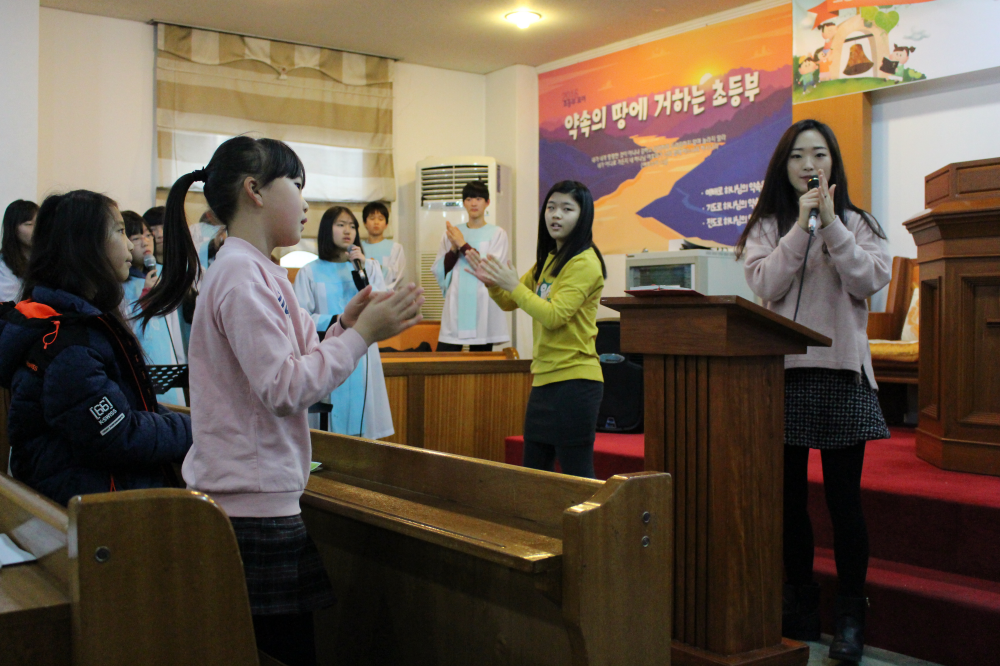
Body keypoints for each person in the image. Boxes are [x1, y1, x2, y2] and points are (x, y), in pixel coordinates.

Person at [141, 136, 423, 666]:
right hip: (249, 507)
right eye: (296, 185)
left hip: (260, 499)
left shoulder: (262, 270)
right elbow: (285, 388)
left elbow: (302, 361)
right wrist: (363, 336)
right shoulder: (240, 274)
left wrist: (345, 326)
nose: (306, 203)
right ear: (255, 191)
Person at [735, 119, 891, 663]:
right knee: (789, 502)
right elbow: (765, 284)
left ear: (833, 163)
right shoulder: (768, 226)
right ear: (784, 167)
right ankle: (799, 604)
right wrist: (801, 228)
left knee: (845, 503)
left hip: (842, 372)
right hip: (783, 376)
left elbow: (868, 280)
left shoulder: (859, 223)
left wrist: (831, 223)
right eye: (798, 156)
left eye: (819, 155)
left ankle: (850, 616)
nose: (809, 165)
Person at [0, 190, 192, 506]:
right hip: (94, 509)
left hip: (97, 494)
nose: (130, 245)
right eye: (120, 231)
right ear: (85, 245)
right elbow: (119, 435)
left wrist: (193, 426)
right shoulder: (68, 343)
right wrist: (197, 431)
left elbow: (128, 408)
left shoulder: (79, 323)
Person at [468, 180, 606, 478]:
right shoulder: (550, 259)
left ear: (583, 216)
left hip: (576, 381)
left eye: (567, 209)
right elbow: (510, 301)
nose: (556, 215)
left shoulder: (585, 262)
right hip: (544, 379)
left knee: (577, 476)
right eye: (551, 207)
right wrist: (493, 284)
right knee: (534, 475)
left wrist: (513, 285)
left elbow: (554, 316)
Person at [293, 206, 393, 439]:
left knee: (362, 424)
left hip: (362, 352)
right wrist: (337, 320)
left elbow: (382, 306)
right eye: (340, 225)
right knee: (328, 429)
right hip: (327, 349)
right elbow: (300, 318)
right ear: (327, 229)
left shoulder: (369, 267)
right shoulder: (309, 272)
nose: (348, 231)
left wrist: (363, 271)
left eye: (352, 226)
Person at [431, 180, 510, 352]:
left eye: (479, 198)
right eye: (469, 199)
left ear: (487, 202)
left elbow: (490, 269)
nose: (474, 203)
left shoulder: (497, 234)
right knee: (445, 357)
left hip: (483, 300)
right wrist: (454, 248)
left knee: (480, 360)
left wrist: (462, 243)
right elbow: (441, 269)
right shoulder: (453, 233)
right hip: (457, 298)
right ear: (463, 203)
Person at [121, 211, 186, 406]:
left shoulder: (162, 274)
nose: (145, 242)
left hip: (169, 362)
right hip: (143, 366)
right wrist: (146, 294)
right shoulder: (122, 284)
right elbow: (127, 327)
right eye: (136, 238)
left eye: (148, 235)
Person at [360, 201, 405, 291]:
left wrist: (375, 267)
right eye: (372, 218)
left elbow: (398, 276)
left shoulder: (396, 248)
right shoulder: (359, 248)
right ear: (365, 223)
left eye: (380, 219)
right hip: (363, 294)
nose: (376, 222)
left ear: (386, 224)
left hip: (387, 295)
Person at [0, 200, 38, 302]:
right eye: (29, 224)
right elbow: (10, 303)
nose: (37, 229)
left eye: (40, 223)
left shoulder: (47, 260)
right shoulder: (3, 266)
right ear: (13, 228)